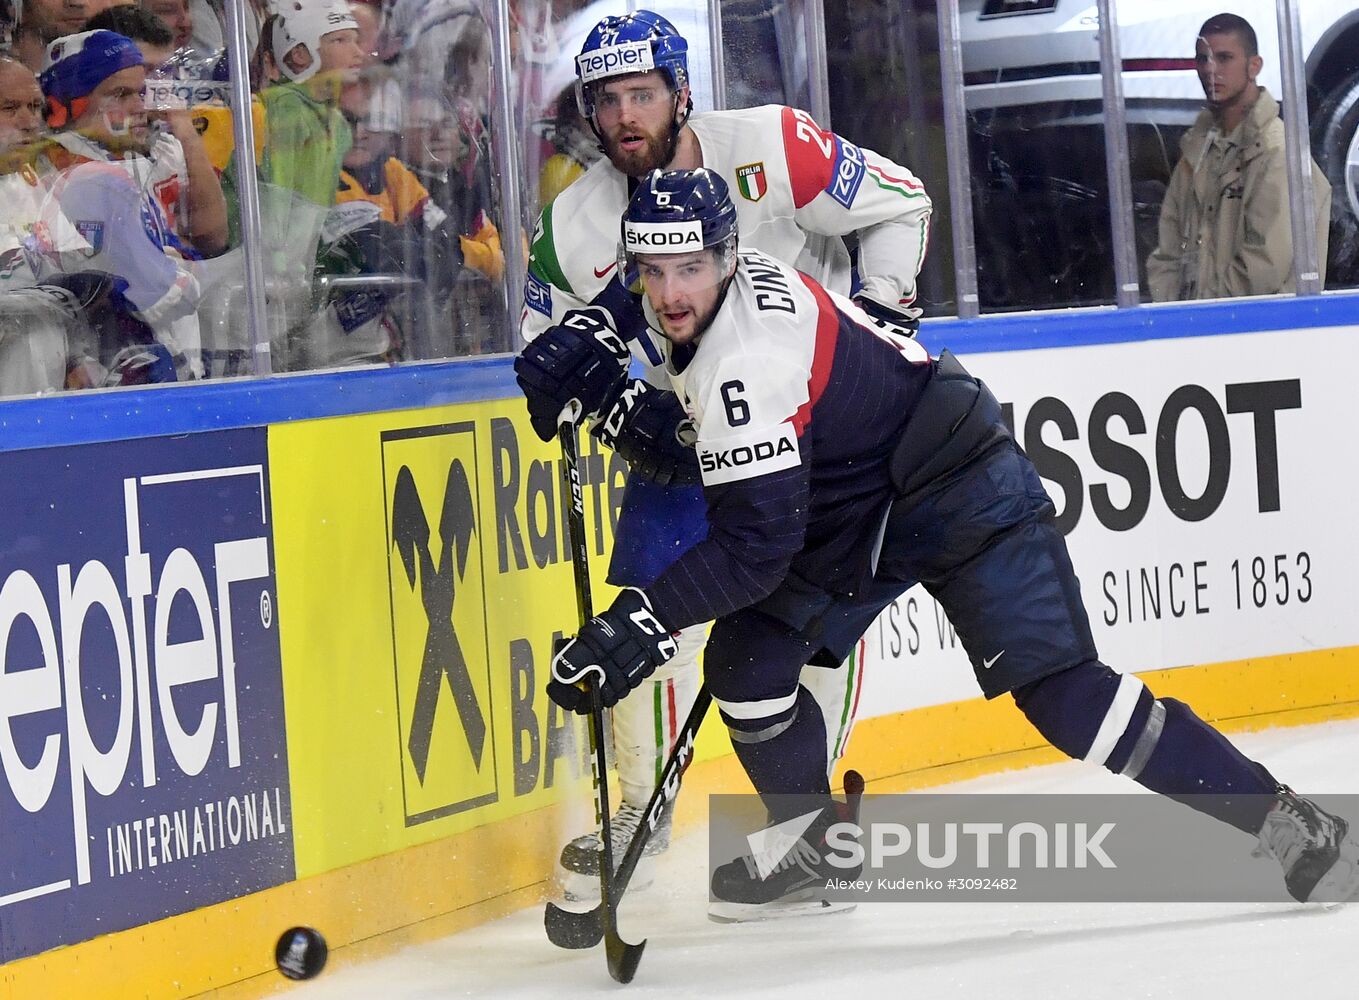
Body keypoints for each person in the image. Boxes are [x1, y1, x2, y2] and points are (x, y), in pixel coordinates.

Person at [547, 166, 1359, 922]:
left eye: (685, 270)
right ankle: (815, 850)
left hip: (956, 479)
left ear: (723, 259)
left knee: (1065, 698)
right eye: (650, 273)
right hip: (853, 499)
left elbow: (755, 547)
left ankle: (1286, 821)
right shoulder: (730, 276)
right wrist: (598, 338)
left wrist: (636, 625)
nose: (667, 293)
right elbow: (702, 417)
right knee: (745, 664)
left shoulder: (743, 361)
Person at [513, 9, 932, 895]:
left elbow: (901, 203)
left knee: (810, 628)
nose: (626, 115)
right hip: (686, 435)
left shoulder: (773, 144)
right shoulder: (574, 225)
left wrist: (883, 317)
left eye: (643, 93)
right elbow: (550, 347)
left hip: (819, 434)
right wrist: (581, 395)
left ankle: (809, 827)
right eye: (607, 100)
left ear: (680, 92)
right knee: (645, 611)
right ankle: (640, 809)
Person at [35, 29, 204, 381]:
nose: (139, 106)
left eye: (140, 93)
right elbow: (164, 295)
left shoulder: (122, 161)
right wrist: (181, 275)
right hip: (118, 371)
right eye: (120, 94)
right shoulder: (80, 175)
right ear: (70, 102)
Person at [1146, 12, 1330, 302]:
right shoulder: (1196, 151)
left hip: (1258, 335)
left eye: (1224, 58)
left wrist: (1198, 318)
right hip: (1196, 332)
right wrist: (1173, 315)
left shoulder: (1278, 153)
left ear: (1254, 66)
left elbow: (1263, 268)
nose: (1210, 70)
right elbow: (1167, 254)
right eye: (1202, 59)